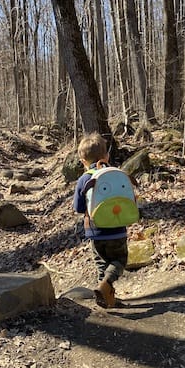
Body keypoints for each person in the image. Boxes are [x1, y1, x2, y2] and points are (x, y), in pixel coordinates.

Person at [73, 132, 128, 308]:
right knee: (119, 261)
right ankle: (105, 286)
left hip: (95, 231)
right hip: (117, 229)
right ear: (107, 156)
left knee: (101, 264)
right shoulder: (116, 174)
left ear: (83, 161)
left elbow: (79, 208)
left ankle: (105, 297)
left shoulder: (84, 179)